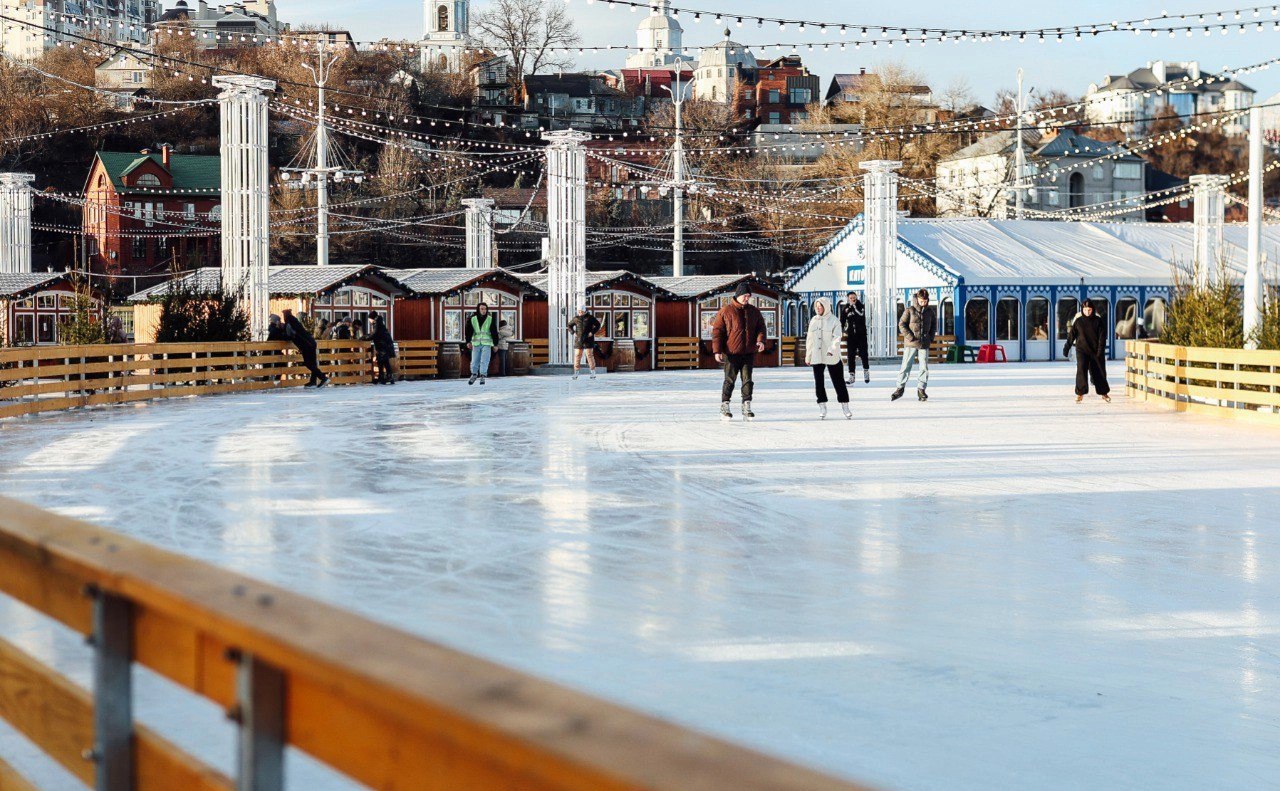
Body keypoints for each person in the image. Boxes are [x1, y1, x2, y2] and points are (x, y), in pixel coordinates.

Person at [712, 282, 767, 421]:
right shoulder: (726, 311)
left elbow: (761, 327)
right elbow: (718, 332)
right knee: (729, 380)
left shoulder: (754, 311)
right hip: (732, 353)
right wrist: (717, 350)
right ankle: (725, 406)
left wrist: (761, 340)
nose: (747, 298)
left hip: (748, 352)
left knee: (747, 380)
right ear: (738, 295)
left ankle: (746, 406)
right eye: (745, 296)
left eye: (749, 296)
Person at [806, 298, 852, 420]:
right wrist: (808, 355)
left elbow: (837, 337)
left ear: (826, 307)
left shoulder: (834, 320)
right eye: (816, 306)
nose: (818, 309)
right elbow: (810, 339)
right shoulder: (813, 321)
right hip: (817, 355)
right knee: (818, 382)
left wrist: (832, 349)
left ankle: (845, 405)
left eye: (820, 306)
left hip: (832, 355)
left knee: (838, 381)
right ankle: (822, 405)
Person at [1064, 300, 1111, 403]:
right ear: (1082, 310)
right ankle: (1080, 393)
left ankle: (1104, 392)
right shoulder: (1078, 321)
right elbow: (1072, 335)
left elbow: (1102, 337)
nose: (1087, 312)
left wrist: (1100, 351)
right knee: (1081, 370)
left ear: (1092, 310)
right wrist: (1067, 347)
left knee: (1099, 372)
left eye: (1089, 310)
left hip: (1095, 351)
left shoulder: (1098, 321)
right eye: (1085, 310)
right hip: (1082, 350)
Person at [893, 289, 936, 402]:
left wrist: (930, 338)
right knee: (906, 365)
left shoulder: (930, 311)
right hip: (911, 344)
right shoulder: (910, 310)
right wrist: (910, 337)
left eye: (925, 301)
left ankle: (921, 389)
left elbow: (934, 326)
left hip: (924, 343)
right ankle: (900, 388)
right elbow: (901, 324)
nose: (923, 303)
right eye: (921, 301)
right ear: (917, 299)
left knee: (924, 367)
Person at [283, 309, 328, 387]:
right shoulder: (295, 322)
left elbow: (289, 335)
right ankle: (313, 381)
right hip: (311, 343)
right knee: (312, 364)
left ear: (285, 316)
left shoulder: (289, 323)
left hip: (306, 345)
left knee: (308, 363)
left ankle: (323, 378)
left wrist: (282, 333)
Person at [839, 291, 870, 385]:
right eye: (851, 298)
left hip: (861, 335)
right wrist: (840, 331)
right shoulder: (846, 308)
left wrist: (854, 307)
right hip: (851, 335)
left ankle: (866, 372)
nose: (853, 299)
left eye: (854, 297)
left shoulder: (861, 306)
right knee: (851, 355)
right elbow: (842, 321)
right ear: (848, 299)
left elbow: (861, 315)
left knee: (863, 354)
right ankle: (851, 375)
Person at [464, 302, 497, 385]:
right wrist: (468, 341)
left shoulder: (490, 319)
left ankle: (482, 375)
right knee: (474, 360)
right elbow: (468, 331)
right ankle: (474, 374)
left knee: (484, 360)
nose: (483, 311)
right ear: (478, 310)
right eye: (482, 309)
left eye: (485, 309)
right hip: (476, 343)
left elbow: (494, 332)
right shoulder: (473, 319)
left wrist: (495, 344)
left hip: (487, 343)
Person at [567, 306, 602, 380]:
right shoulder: (576, 318)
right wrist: (573, 332)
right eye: (579, 311)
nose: (580, 313)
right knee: (577, 355)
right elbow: (569, 325)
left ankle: (592, 372)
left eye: (581, 311)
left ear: (585, 311)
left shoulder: (590, 317)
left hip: (588, 339)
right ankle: (576, 372)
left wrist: (592, 332)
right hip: (579, 339)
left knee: (589, 355)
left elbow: (598, 325)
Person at [369, 314, 396, 385]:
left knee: (381, 362)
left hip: (382, 347)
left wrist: (365, 338)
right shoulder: (381, 324)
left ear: (372, 319)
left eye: (369, 319)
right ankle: (389, 377)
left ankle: (383, 377)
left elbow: (374, 335)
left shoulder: (377, 324)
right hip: (386, 346)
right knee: (385, 362)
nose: (369, 321)